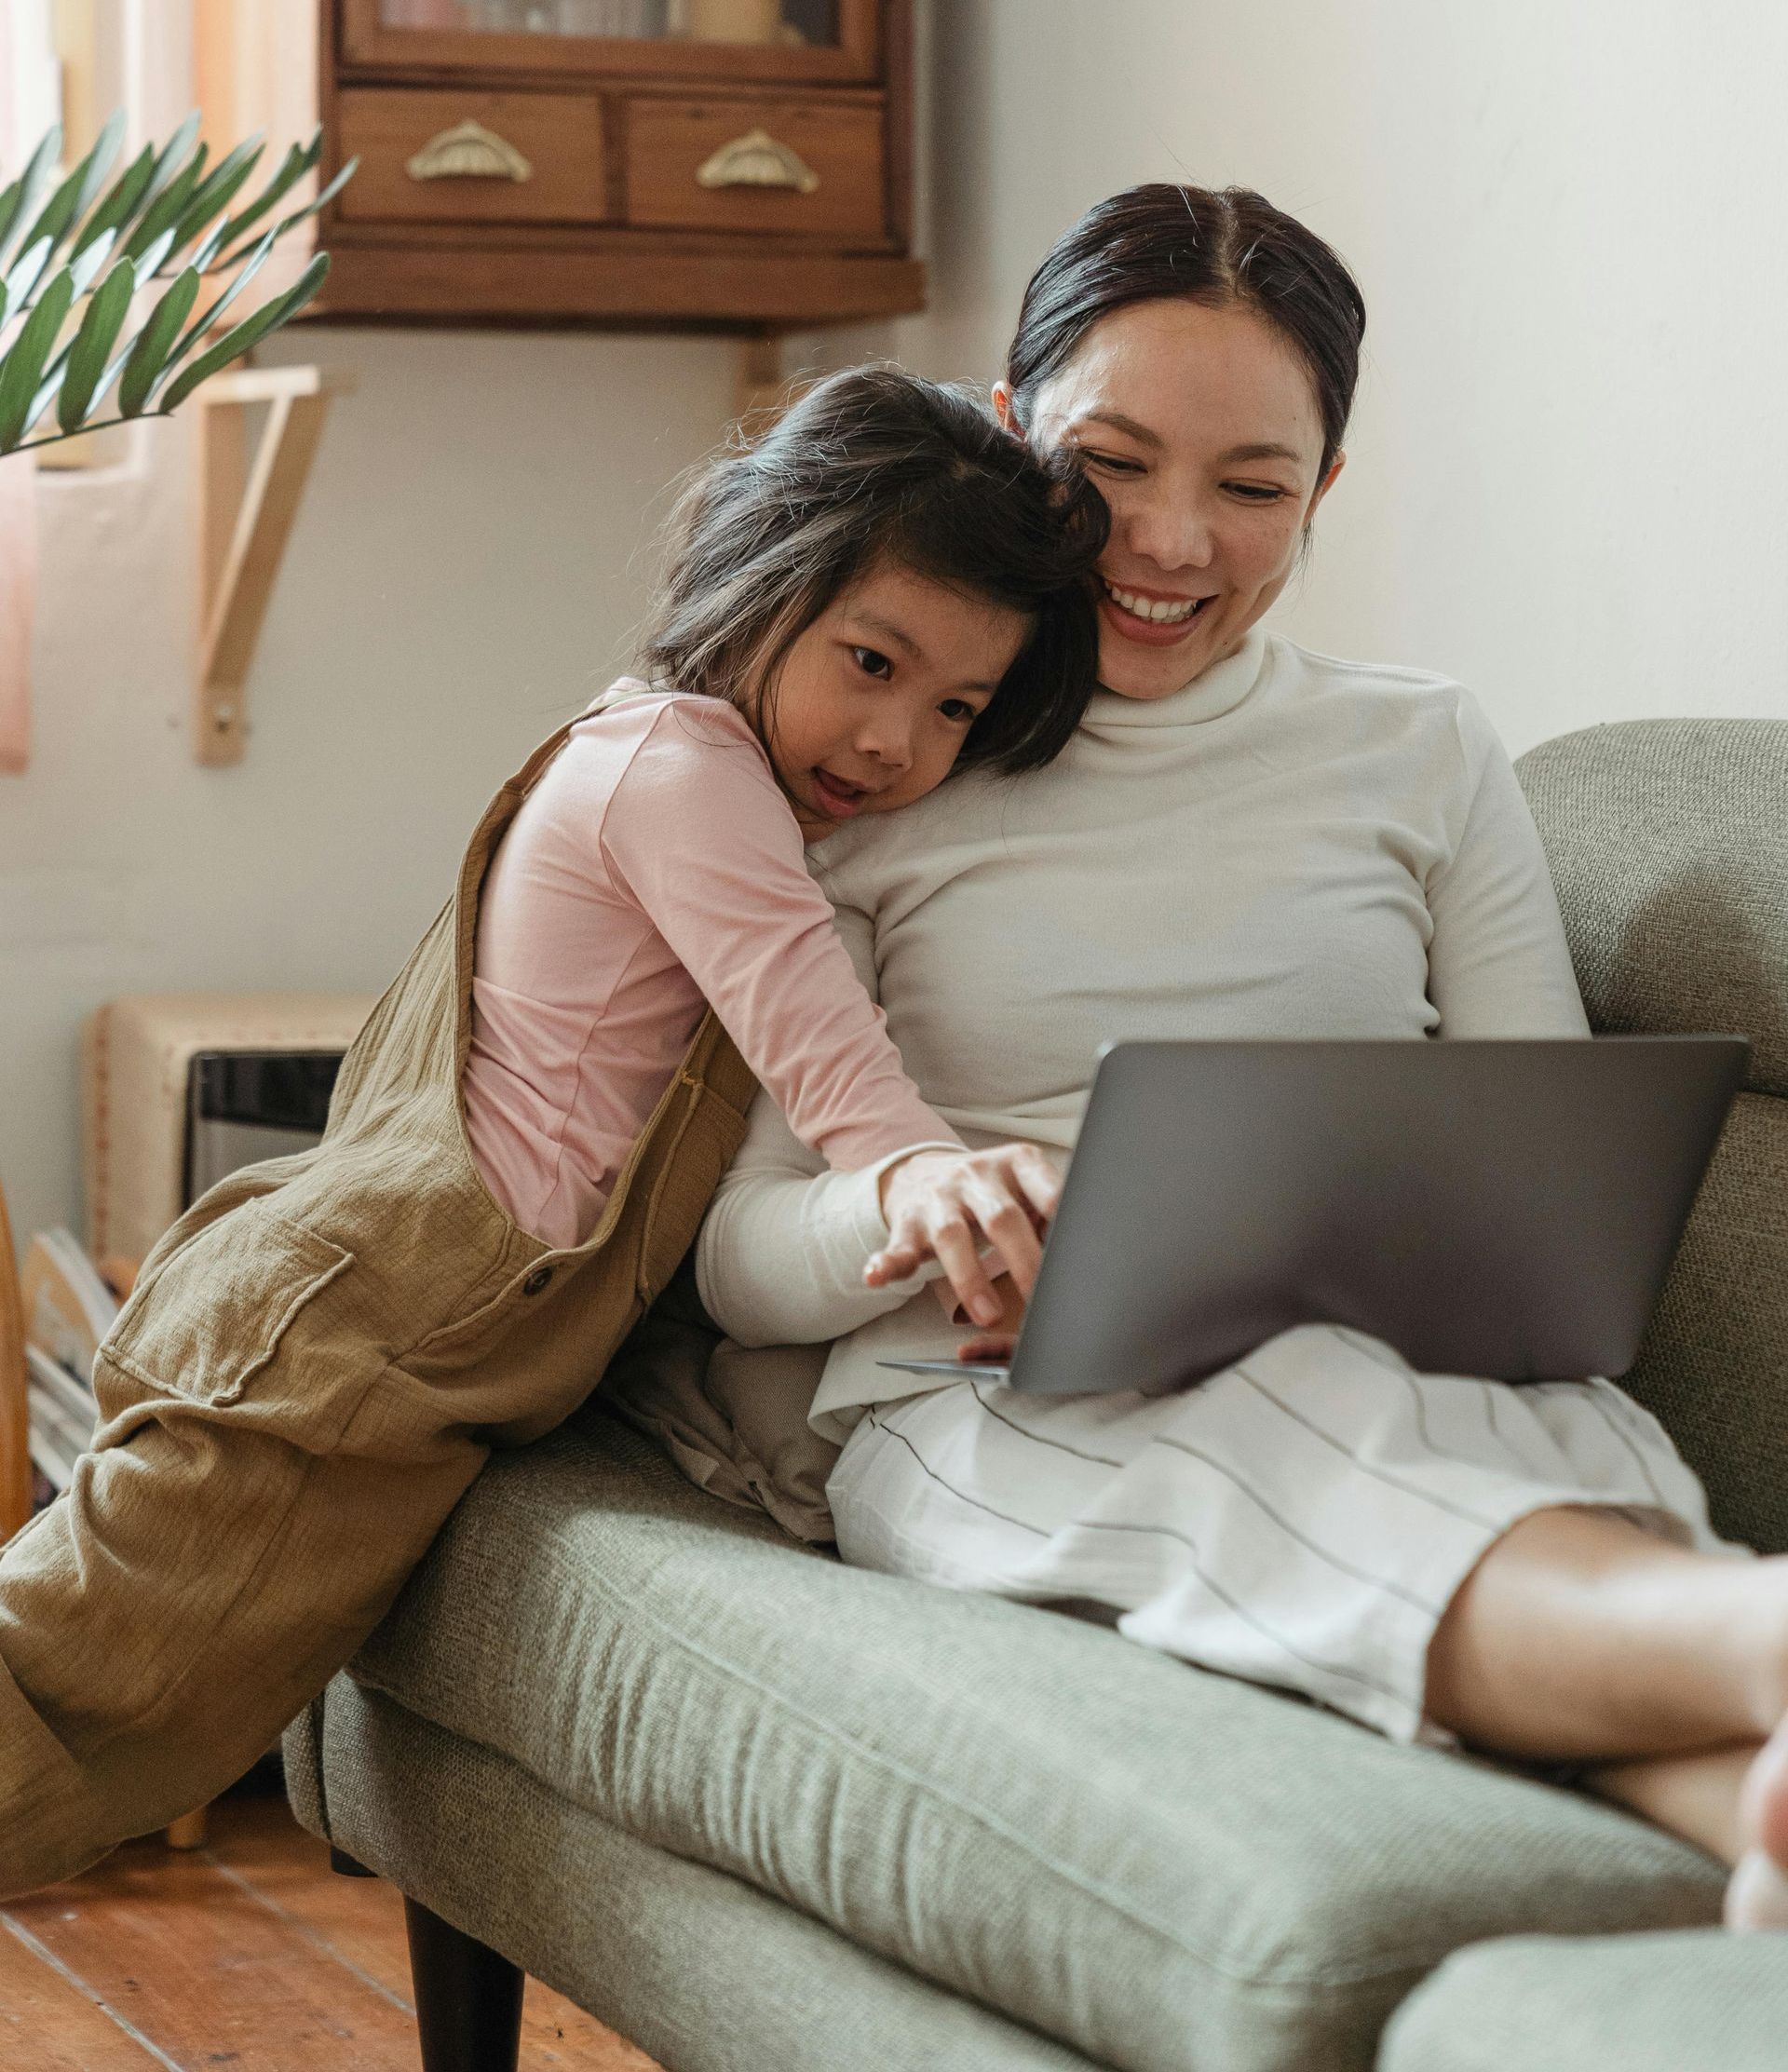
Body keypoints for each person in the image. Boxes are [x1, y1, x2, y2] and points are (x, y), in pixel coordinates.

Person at [693, 185, 1788, 1932]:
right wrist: (920, 1201)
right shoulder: (891, 758)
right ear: (1005, 429)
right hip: (994, 1397)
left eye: (1254, 488)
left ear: (1324, 493)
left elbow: (1555, 1167)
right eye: (1110, 464)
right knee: (1308, 1427)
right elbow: (739, 1262)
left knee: (1453, 1430)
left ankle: (1749, 1793)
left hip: (1420, 1357)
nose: (1170, 541)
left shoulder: (1420, 748)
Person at [0, 369, 1104, 1898]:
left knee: (116, 1709)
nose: (896, 738)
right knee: (70, 1684)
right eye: (872, 660)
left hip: (408, 1348)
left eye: (956, 709)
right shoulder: (686, 773)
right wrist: (937, 1178)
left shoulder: (667, 759)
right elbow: (826, 1051)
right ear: (759, 569)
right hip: (368, 1338)